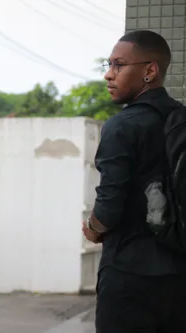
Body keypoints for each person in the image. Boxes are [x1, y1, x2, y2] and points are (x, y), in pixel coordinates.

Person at [82, 29, 186, 333]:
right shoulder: (181, 119)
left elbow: (109, 208)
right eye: (108, 65)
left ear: (149, 71)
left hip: (131, 276)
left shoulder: (122, 126)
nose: (108, 75)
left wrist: (93, 228)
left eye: (118, 65)